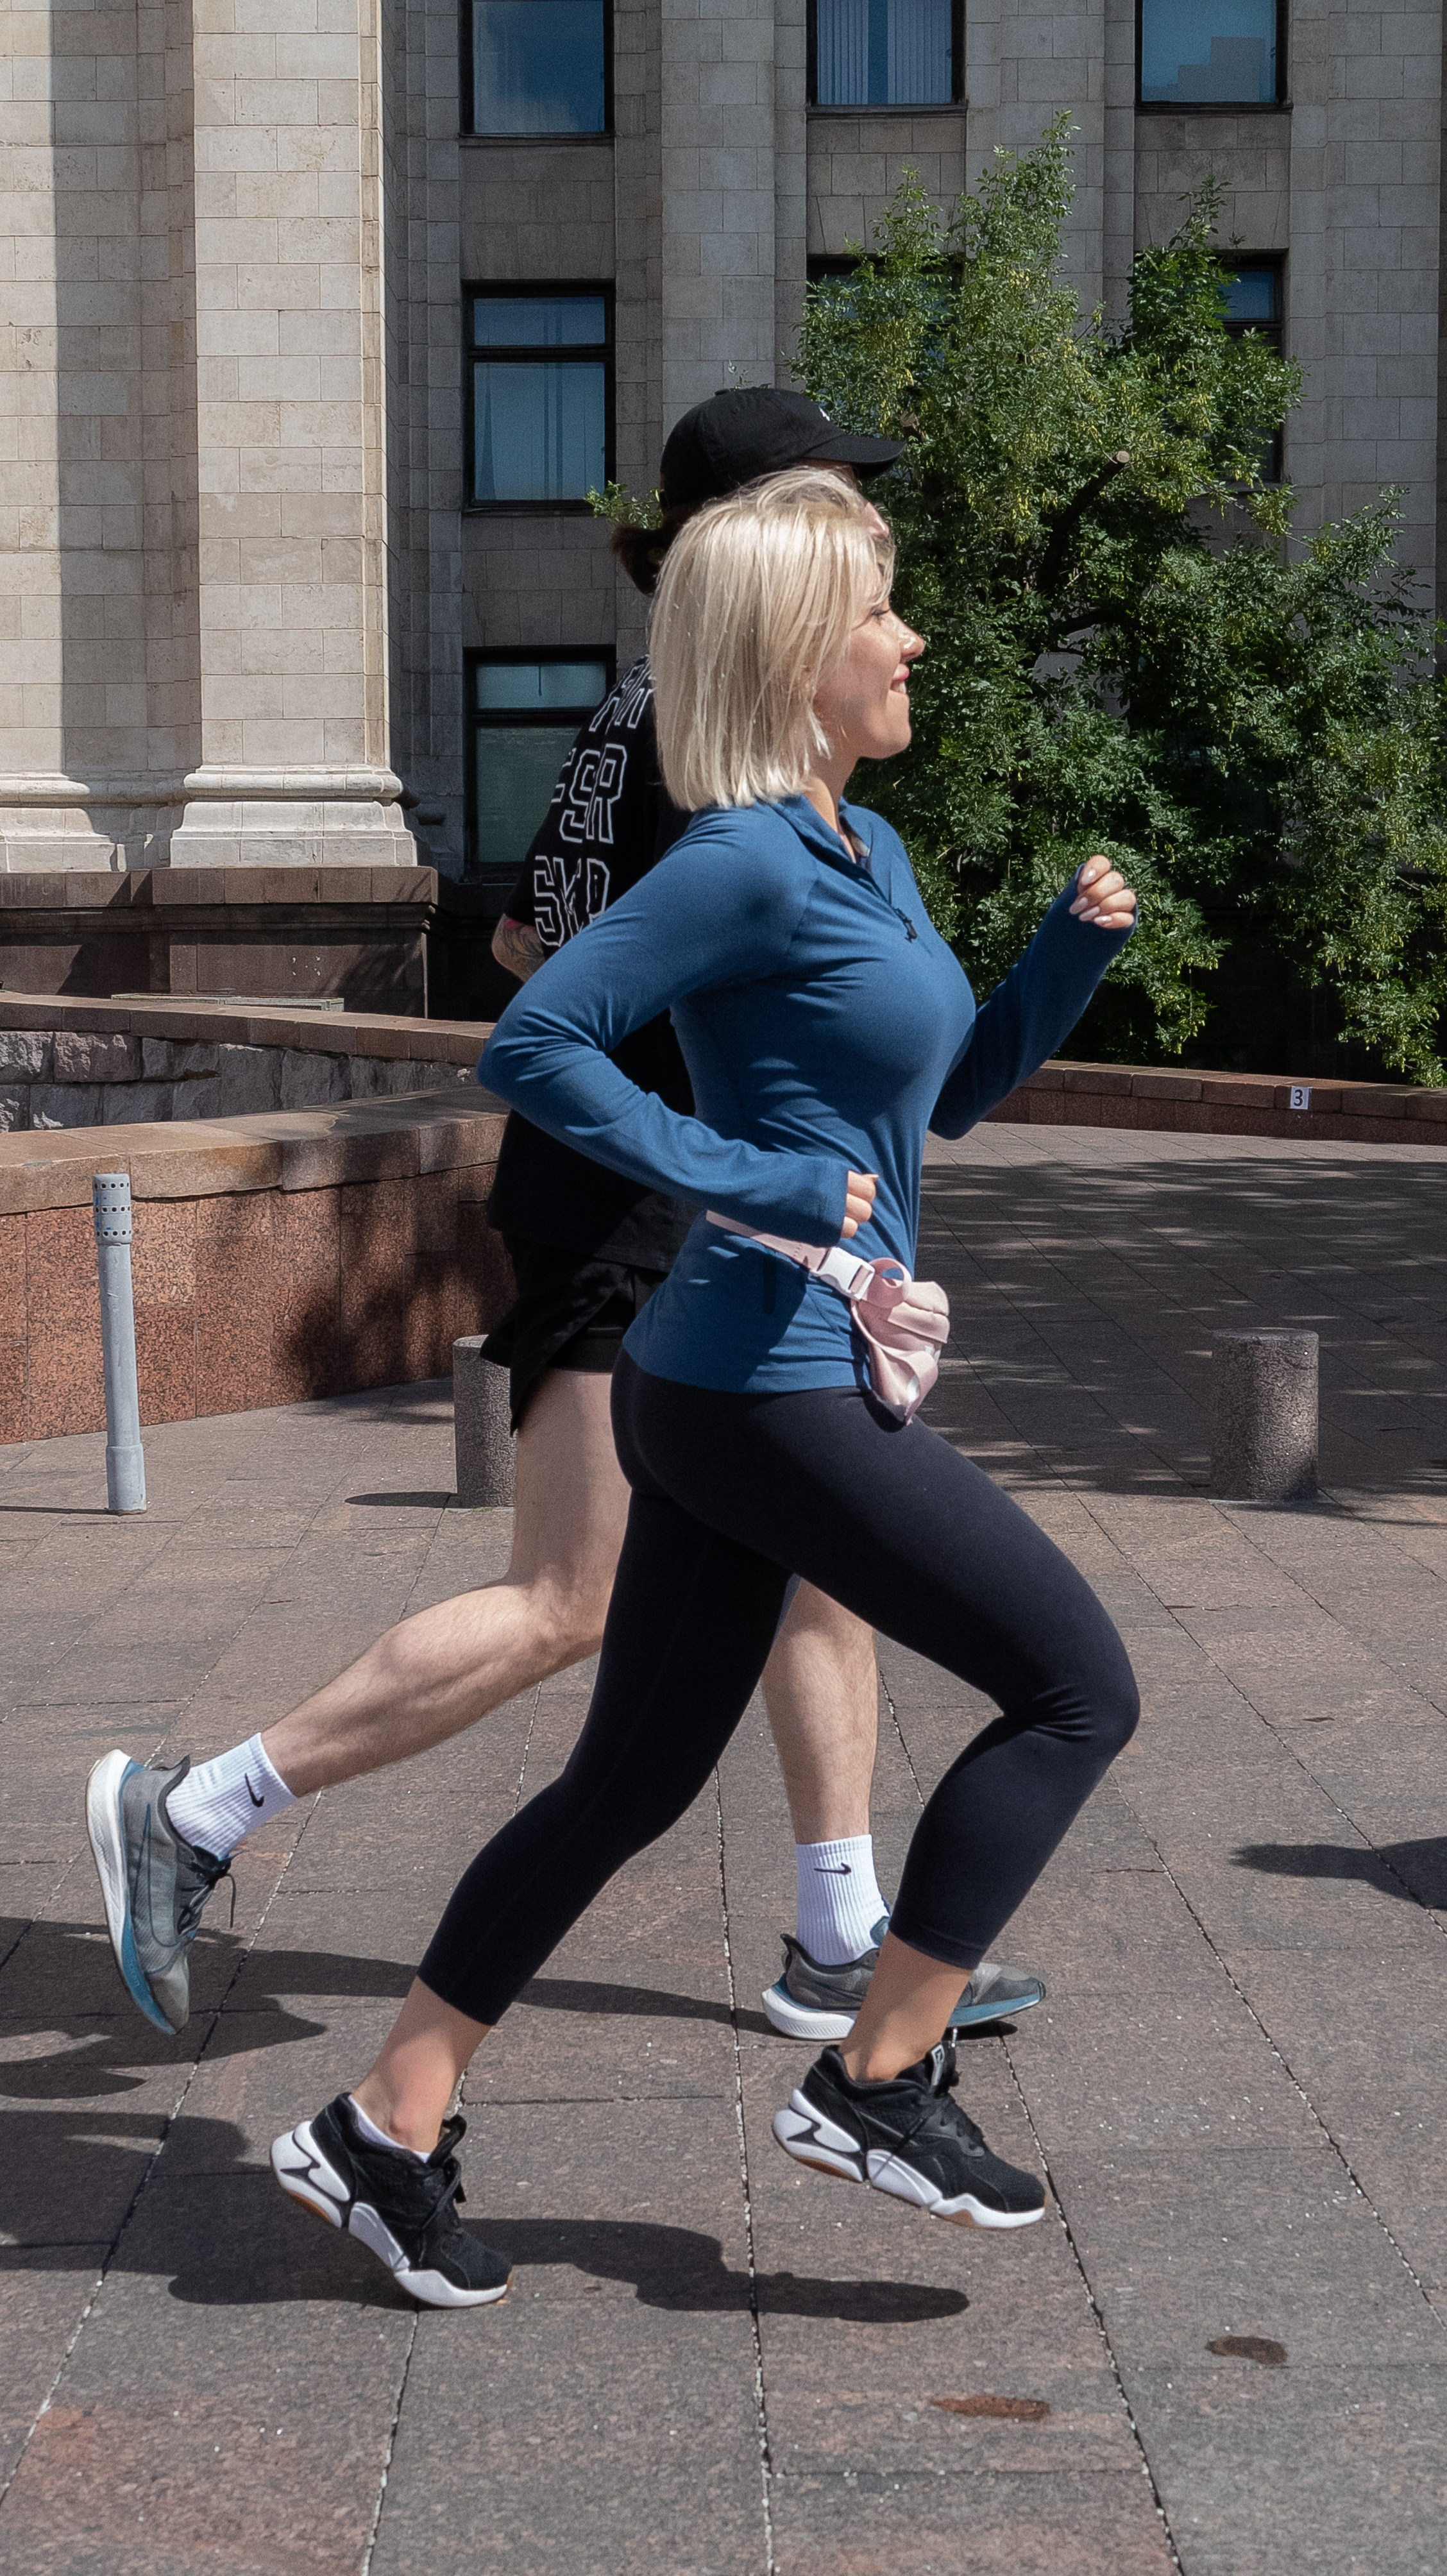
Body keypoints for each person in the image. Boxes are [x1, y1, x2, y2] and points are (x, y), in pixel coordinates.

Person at [266, 467, 1140, 2310]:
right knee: (1073, 1686)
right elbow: (534, 1042)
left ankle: (383, 2123)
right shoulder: (737, 855)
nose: (912, 639)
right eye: (882, 610)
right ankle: (877, 2075)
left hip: (754, 1371)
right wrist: (740, 1176)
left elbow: (942, 1103)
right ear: (794, 651)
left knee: (626, 1784)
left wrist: (1063, 967)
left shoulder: (863, 852)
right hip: (760, 1377)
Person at [84, 392, 1042, 2052]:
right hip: (638, 1222)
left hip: (688, 1220)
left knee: (825, 1570)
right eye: (837, 521)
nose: (877, 566)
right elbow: (550, 1010)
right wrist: (738, 1117)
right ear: (754, 552)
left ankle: (838, 1927)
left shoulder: (633, 720)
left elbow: (531, 933)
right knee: (570, 1600)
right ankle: (193, 1813)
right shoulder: (727, 756)